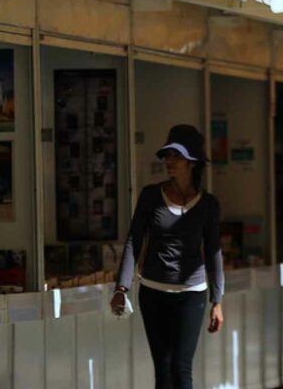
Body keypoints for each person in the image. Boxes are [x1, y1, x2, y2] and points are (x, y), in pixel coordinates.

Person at [110, 124, 224, 389]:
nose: (169, 162)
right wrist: (121, 288)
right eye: (167, 155)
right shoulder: (151, 196)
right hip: (153, 291)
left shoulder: (208, 205)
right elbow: (133, 240)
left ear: (193, 161)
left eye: (177, 156)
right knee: (163, 370)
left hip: (192, 293)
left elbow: (214, 252)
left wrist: (217, 300)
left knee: (181, 369)